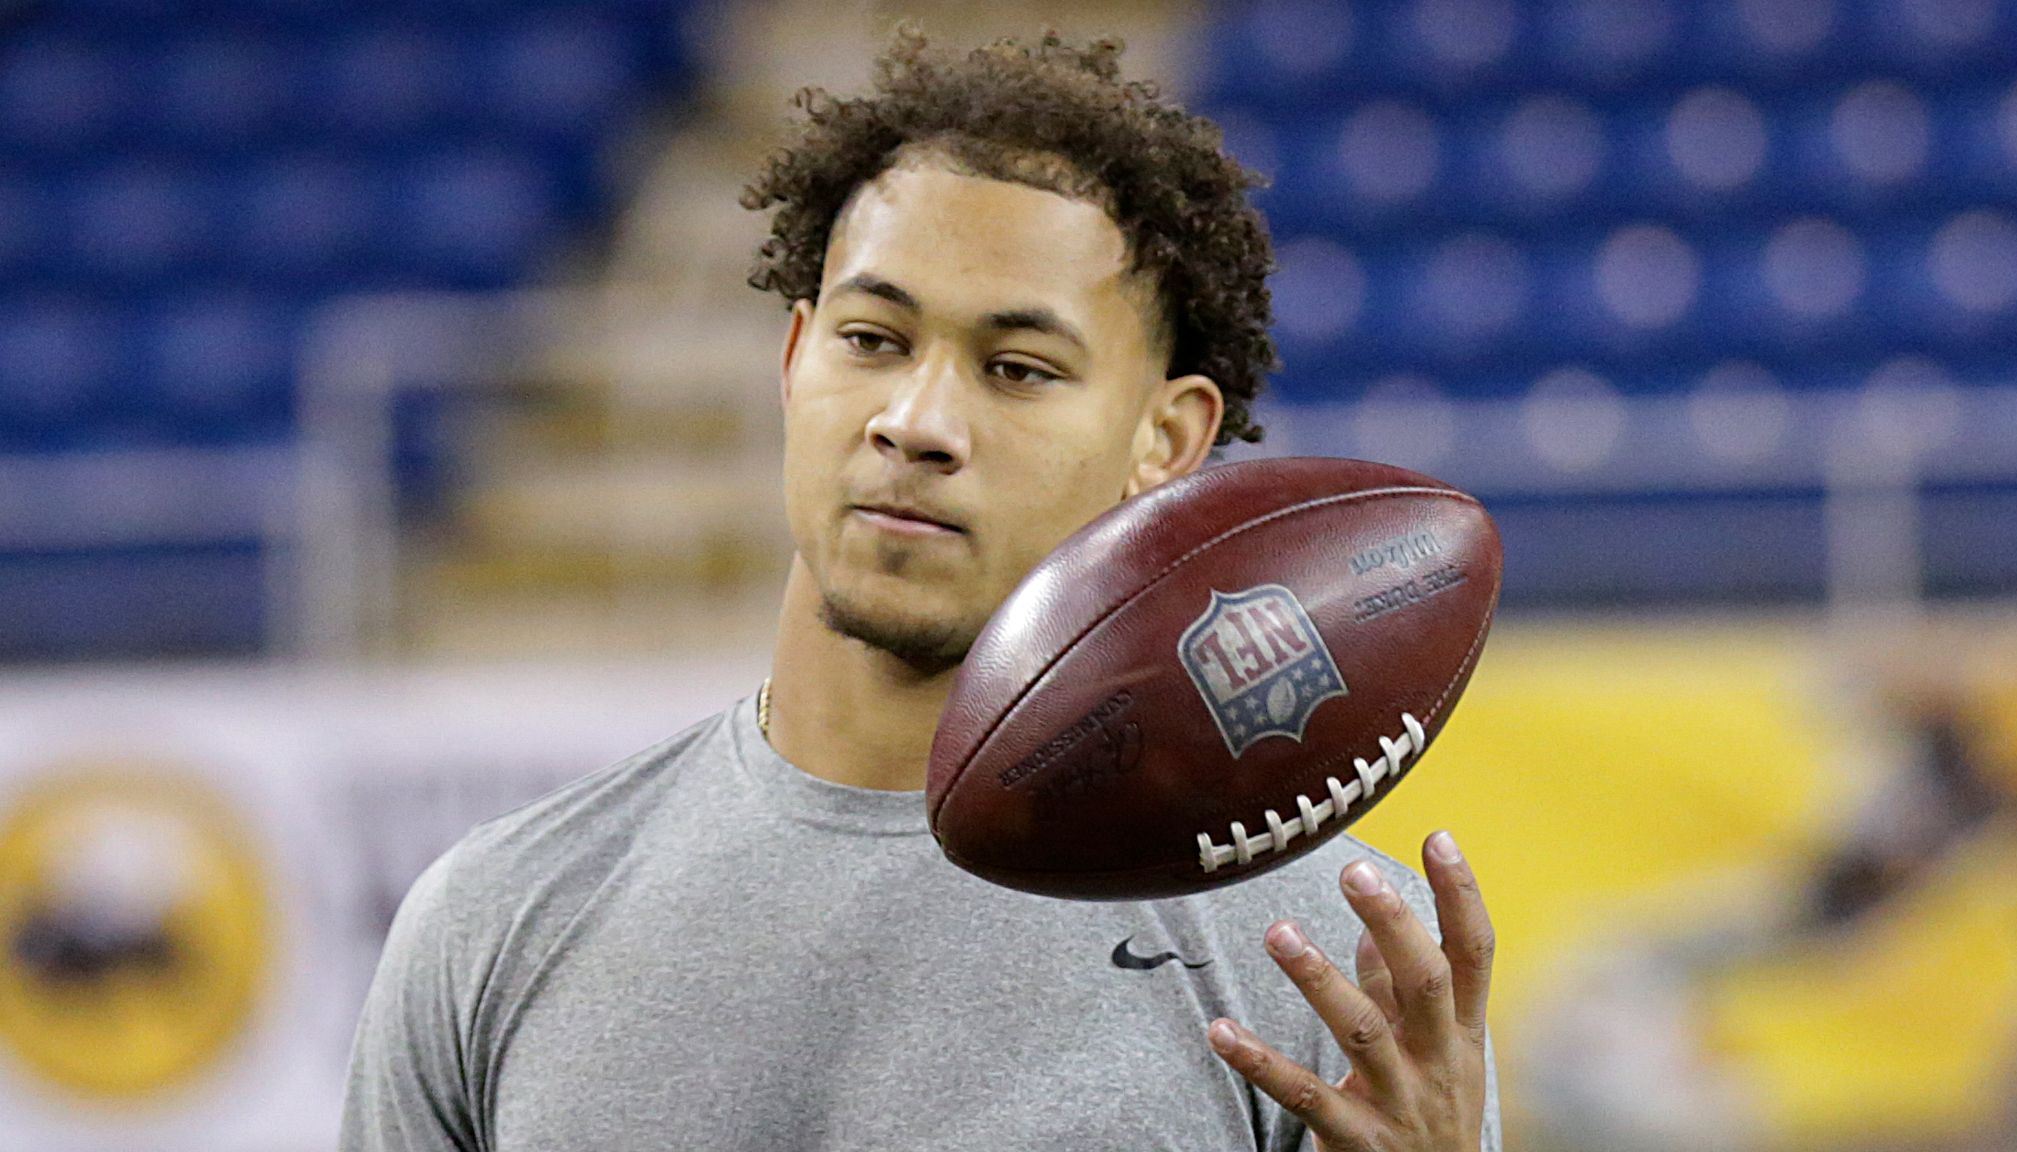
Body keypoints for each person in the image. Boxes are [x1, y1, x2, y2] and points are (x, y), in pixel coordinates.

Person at [341, 30, 1502, 1152]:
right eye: (872, 339)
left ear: (1164, 439)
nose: (917, 422)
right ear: (794, 360)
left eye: (1015, 370)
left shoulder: (1322, 968)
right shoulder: (491, 920)